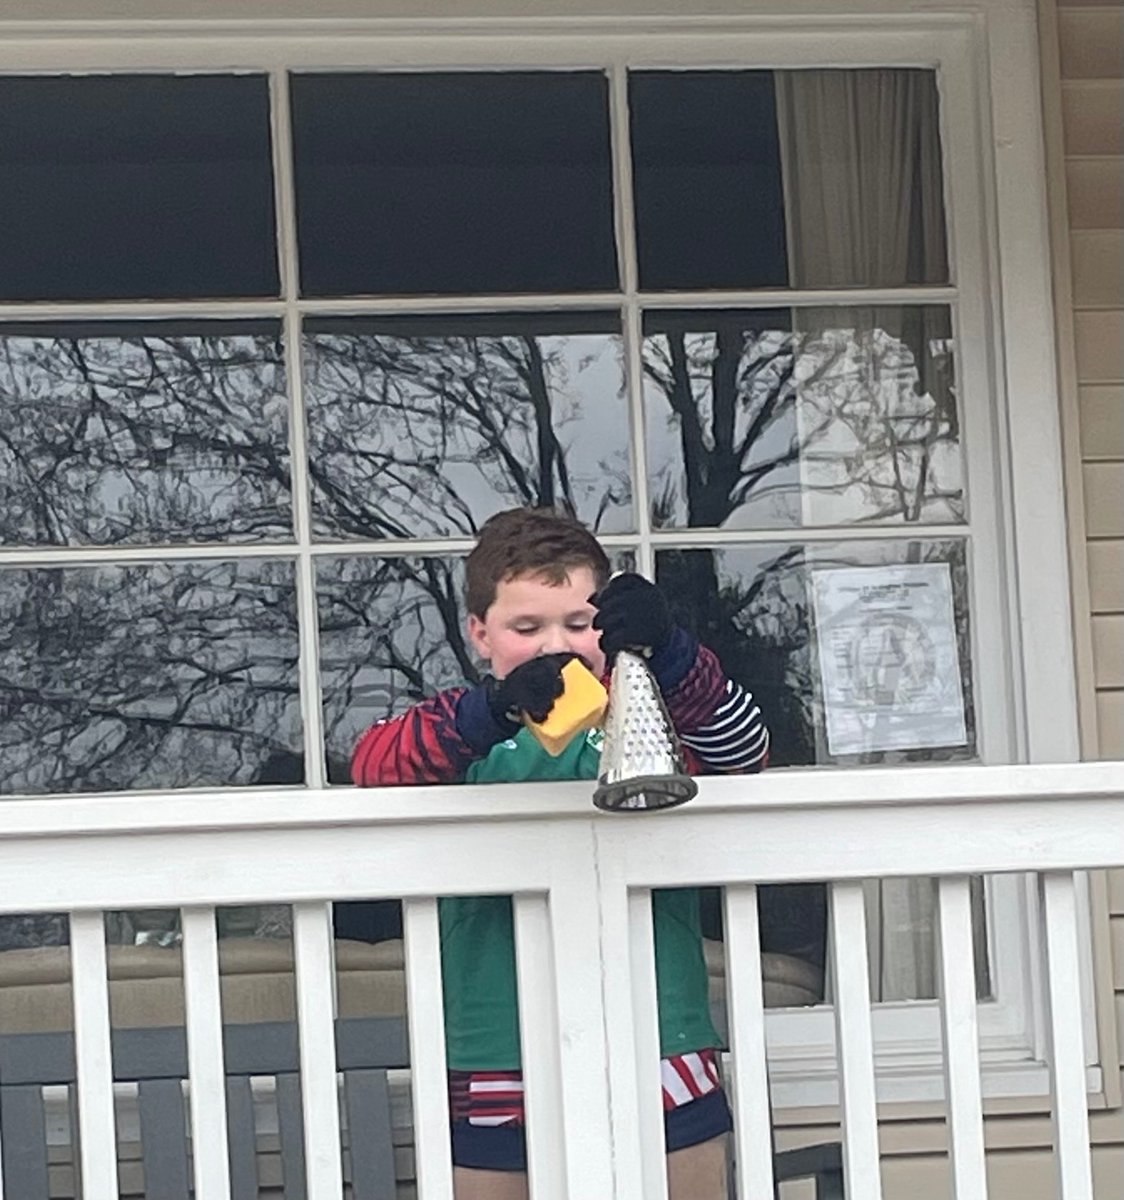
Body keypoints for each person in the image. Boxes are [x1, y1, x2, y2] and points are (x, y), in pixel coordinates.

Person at [352, 507, 769, 1200]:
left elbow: (743, 750)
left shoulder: (646, 716)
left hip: (661, 1031)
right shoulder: (465, 737)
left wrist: (670, 654)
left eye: (579, 625)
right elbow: (373, 764)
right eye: (527, 628)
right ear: (479, 634)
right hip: (495, 1042)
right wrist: (489, 714)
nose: (558, 646)